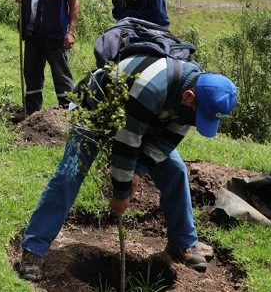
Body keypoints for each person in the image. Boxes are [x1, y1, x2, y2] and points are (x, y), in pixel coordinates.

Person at [18, 56, 238, 281]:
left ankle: (183, 243)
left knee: (176, 172)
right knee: (70, 173)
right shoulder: (153, 86)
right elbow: (126, 143)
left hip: (142, 121)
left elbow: (166, 141)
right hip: (97, 111)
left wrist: (139, 172)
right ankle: (34, 248)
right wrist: (121, 192)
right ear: (189, 97)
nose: (195, 123)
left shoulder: (194, 96)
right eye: (197, 118)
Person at [12, 0, 78, 116]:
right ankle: (31, 110)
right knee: (31, 73)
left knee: (61, 75)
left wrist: (71, 32)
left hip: (54, 34)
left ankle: (68, 112)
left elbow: (74, 3)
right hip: (32, 32)